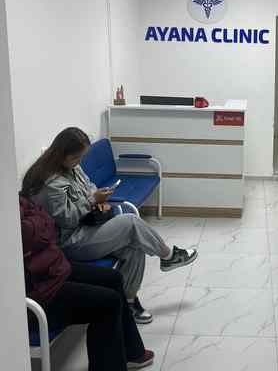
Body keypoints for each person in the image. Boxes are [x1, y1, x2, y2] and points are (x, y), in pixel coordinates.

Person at [21, 127, 198, 324]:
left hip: (87, 227)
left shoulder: (71, 167)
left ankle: (128, 302)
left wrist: (100, 200)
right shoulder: (50, 183)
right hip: (70, 241)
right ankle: (168, 256)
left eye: (81, 157)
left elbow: (89, 187)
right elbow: (67, 219)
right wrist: (92, 201)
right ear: (61, 154)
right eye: (76, 157)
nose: (79, 162)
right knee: (131, 221)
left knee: (134, 246)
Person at [20, 196, 154, 370]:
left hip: (53, 269)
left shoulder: (14, 199)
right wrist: (37, 225)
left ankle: (132, 353)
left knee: (112, 278)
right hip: (39, 289)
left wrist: (36, 226)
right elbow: (29, 232)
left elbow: (47, 223)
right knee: (108, 303)